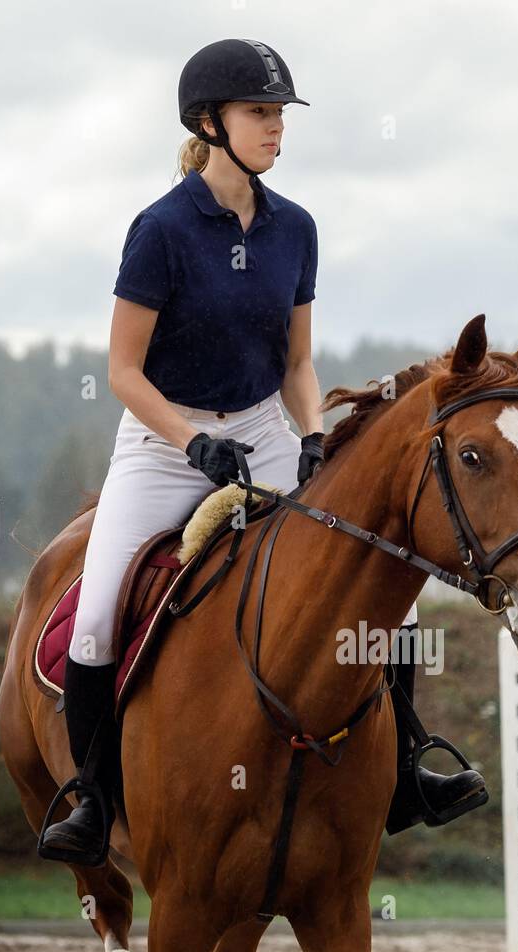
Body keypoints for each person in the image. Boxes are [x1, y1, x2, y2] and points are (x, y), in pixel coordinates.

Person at [38, 38, 485, 868]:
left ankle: (409, 768)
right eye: (260, 113)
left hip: (261, 429)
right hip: (161, 442)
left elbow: (298, 362)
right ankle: (94, 800)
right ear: (210, 123)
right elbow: (124, 373)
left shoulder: (296, 229)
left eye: (280, 113)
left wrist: (312, 435)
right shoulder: (162, 230)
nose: (277, 128)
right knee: (96, 614)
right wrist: (191, 440)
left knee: (392, 592)